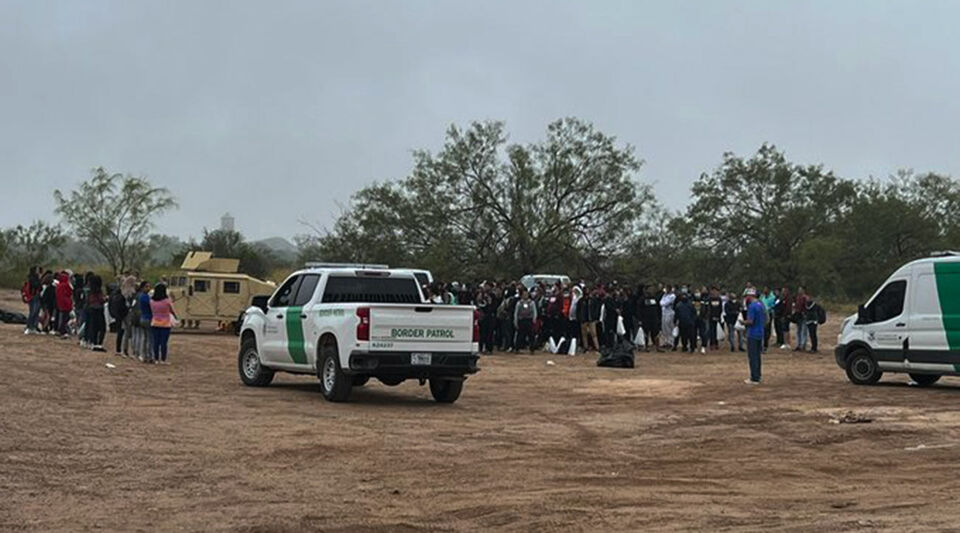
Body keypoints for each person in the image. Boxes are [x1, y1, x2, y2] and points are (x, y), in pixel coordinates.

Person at [150, 283, 177, 364]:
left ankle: (156, 359)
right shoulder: (167, 301)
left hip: (155, 322)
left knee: (156, 342)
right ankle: (163, 359)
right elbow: (172, 310)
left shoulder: (152, 301)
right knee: (163, 343)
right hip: (165, 324)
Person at [743, 288, 765, 384]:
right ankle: (758, 375)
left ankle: (754, 377)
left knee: (752, 356)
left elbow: (750, 321)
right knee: (758, 355)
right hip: (760, 332)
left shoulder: (752, 306)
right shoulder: (761, 305)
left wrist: (742, 322)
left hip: (752, 333)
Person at [85, 275, 107, 351]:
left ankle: (93, 342)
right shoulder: (99, 291)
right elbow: (101, 300)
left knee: (93, 327)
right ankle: (99, 343)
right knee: (102, 327)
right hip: (99, 309)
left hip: (91, 309)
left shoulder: (90, 291)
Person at [513, 288, 537, 354]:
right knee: (520, 335)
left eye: (526, 294)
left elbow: (534, 312)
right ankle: (517, 348)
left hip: (529, 320)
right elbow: (516, 313)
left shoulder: (532, 303)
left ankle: (532, 349)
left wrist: (534, 320)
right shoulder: (519, 303)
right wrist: (516, 321)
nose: (525, 296)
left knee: (531, 335)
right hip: (521, 321)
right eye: (524, 294)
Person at [639, 285, 662, 352]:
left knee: (656, 333)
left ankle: (657, 347)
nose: (651, 291)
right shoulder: (642, 299)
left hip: (654, 318)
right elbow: (639, 310)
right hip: (645, 319)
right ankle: (646, 347)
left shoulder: (655, 299)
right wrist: (640, 319)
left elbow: (658, 309)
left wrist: (659, 317)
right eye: (649, 289)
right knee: (646, 333)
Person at [109, 284, 129, 355]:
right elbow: (123, 307)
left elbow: (110, 305)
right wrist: (126, 312)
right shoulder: (122, 297)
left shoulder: (113, 296)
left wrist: (112, 314)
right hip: (122, 316)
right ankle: (122, 349)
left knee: (119, 333)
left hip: (116, 316)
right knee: (123, 332)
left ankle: (118, 349)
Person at [55, 271, 74, 338]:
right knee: (65, 318)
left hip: (60, 304)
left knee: (62, 317)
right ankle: (63, 331)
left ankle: (61, 330)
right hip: (66, 304)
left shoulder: (58, 286)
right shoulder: (66, 285)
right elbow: (69, 293)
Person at [23, 266, 41, 334]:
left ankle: (33, 326)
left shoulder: (31, 278)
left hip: (32, 296)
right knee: (33, 312)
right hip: (34, 296)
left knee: (35, 312)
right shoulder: (33, 278)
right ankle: (29, 326)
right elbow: (37, 286)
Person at [707, 286, 723, 351]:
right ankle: (711, 344)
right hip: (711, 317)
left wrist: (718, 316)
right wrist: (711, 316)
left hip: (717, 317)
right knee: (711, 331)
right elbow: (709, 308)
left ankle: (716, 344)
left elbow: (720, 308)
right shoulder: (709, 299)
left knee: (717, 331)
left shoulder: (719, 299)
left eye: (716, 291)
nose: (715, 292)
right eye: (713, 291)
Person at [794, 287, 809, 351]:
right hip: (798, 315)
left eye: (800, 290)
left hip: (804, 316)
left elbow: (807, 307)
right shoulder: (797, 298)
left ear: (803, 290)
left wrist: (805, 313)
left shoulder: (805, 298)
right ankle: (798, 344)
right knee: (798, 330)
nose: (799, 291)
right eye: (798, 290)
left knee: (803, 330)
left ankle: (803, 345)